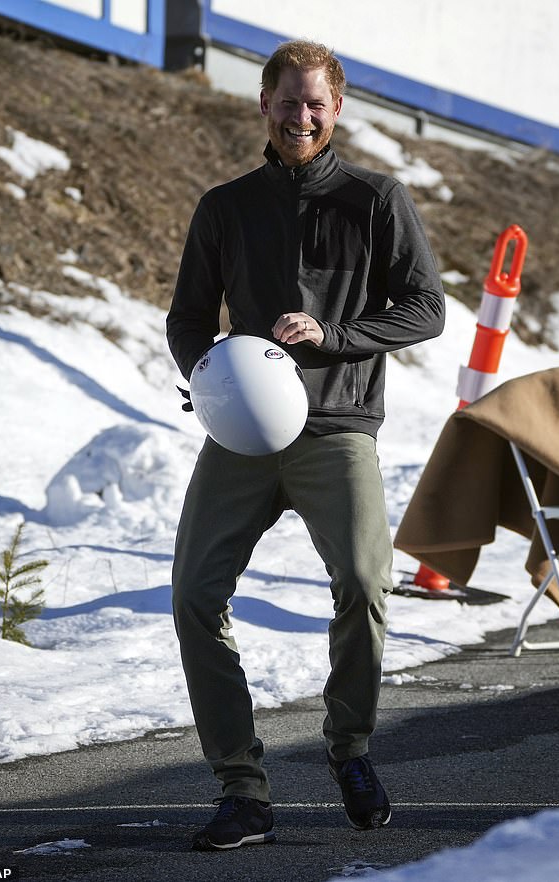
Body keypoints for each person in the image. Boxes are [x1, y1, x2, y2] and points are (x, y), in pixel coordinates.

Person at [166, 39, 445, 851]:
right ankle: (241, 789)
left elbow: (425, 310)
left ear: (338, 108)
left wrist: (335, 334)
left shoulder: (376, 198)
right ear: (263, 103)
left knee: (363, 582)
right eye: (287, 101)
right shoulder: (225, 205)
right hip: (243, 437)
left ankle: (350, 749)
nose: (301, 116)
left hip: (338, 429)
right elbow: (188, 318)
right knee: (192, 598)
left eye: (315, 102)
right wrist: (211, 376)